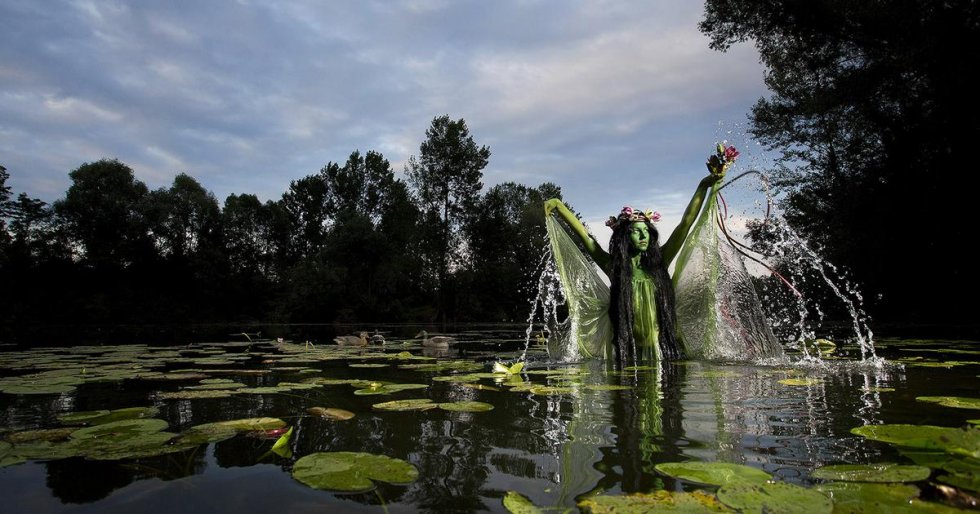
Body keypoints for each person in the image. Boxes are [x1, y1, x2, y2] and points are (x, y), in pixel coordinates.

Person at [543, 144, 736, 365]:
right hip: (628, 355)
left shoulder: (660, 262)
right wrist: (559, 206)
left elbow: (685, 224)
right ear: (625, 236)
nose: (643, 237)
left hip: (664, 352)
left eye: (646, 231)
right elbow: (588, 240)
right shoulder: (614, 266)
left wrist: (703, 185)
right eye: (636, 232)